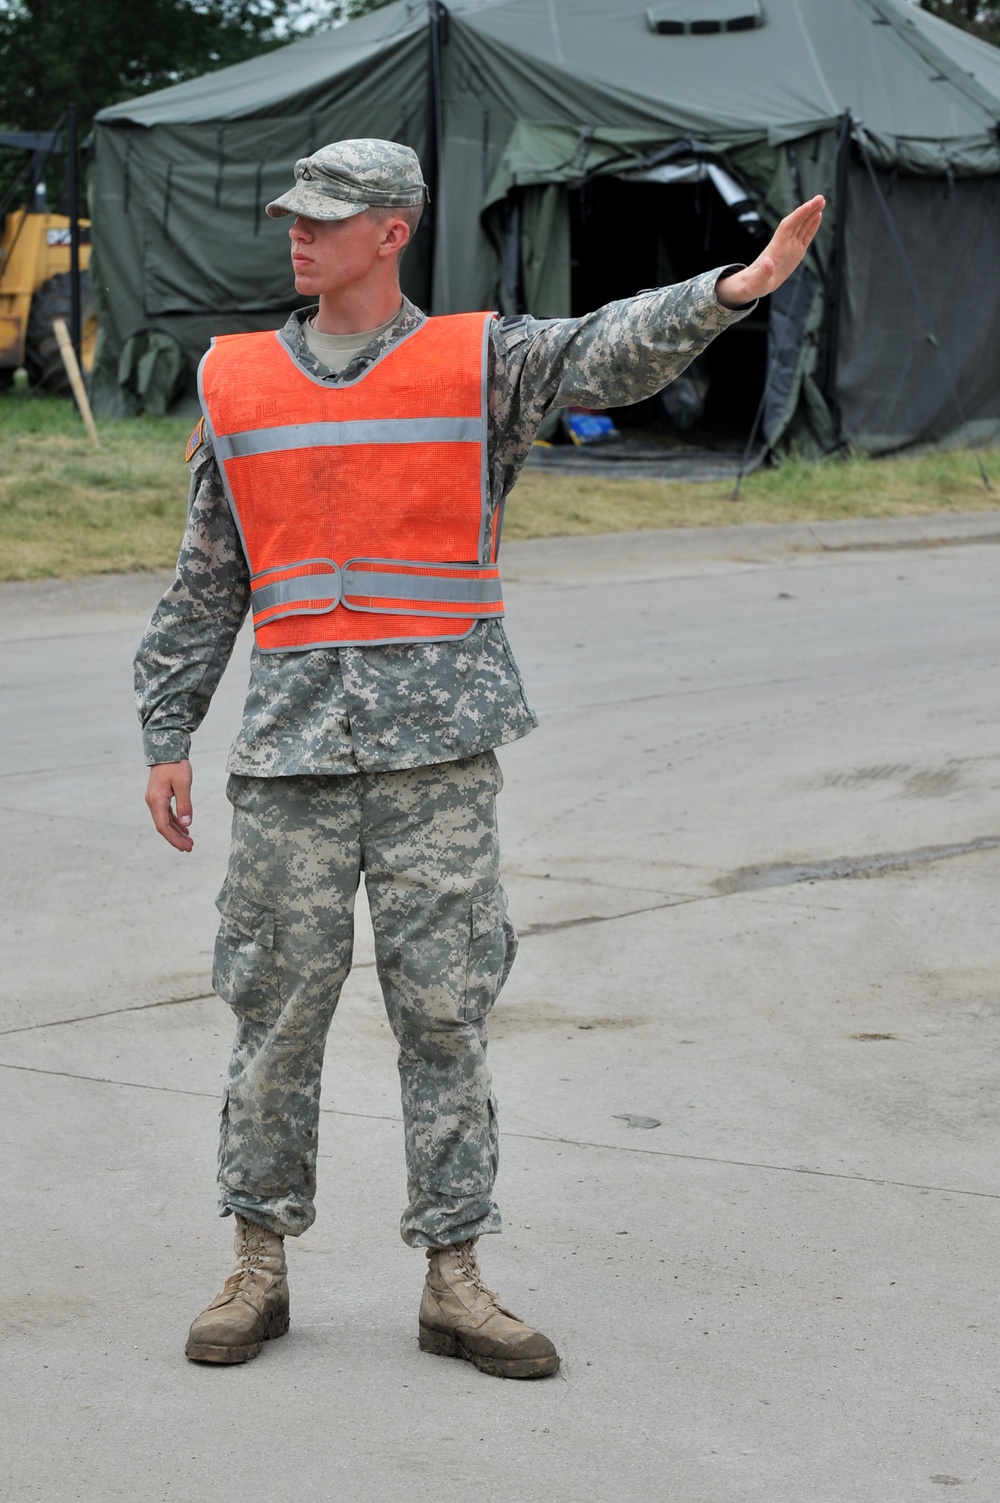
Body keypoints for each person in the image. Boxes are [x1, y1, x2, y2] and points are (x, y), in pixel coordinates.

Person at [136, 138, 823, 1378]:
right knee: (273, 1017)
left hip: (438, 760)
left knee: (445, 1016)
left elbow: (601, 347)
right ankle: (256, 1267)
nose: (300, 233)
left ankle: (454, 1277)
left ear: (393, 230)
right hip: (289, 759)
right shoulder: (238, 379)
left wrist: (726, 293)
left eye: (328, 217)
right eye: (293, 214)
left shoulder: (478, 363)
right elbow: (207, 579)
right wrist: (164, 731)